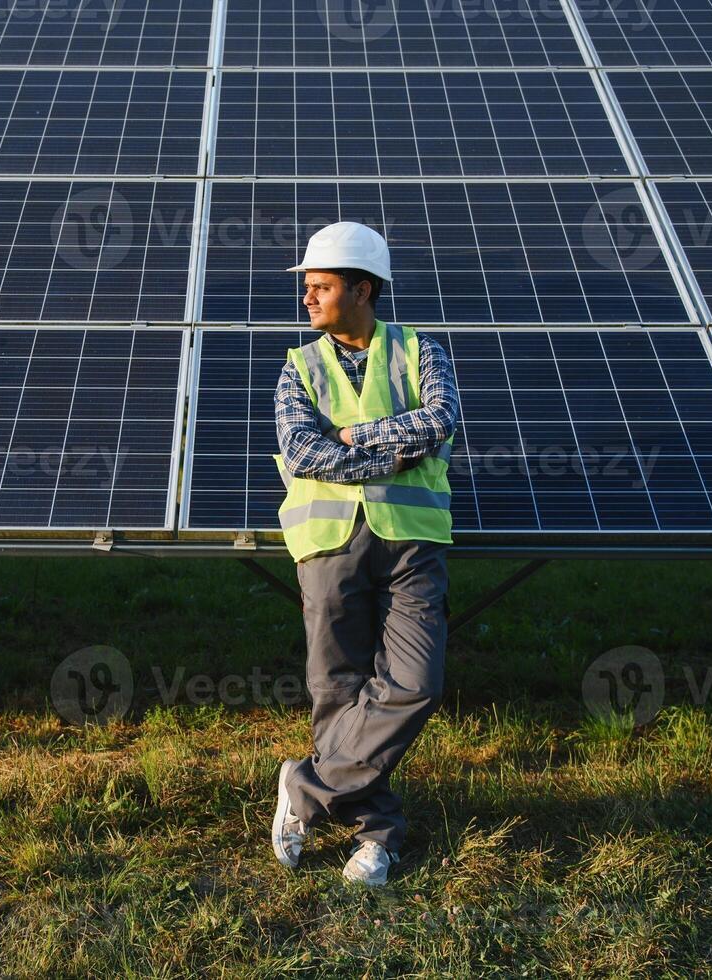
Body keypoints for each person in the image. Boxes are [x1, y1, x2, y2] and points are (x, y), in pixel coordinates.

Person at [269, 221, 459, 887]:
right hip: (326, 543)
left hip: (412, 542)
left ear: (361, 289)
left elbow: (437, 421)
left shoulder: (420, 351)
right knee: (336, 690)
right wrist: (390, 451)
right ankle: (375, 837)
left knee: (414, 685)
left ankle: (307, 788)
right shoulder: (298, 366)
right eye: (308, 288)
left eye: (320, 287)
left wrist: (354, 436)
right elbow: (301, 449)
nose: (307, 299)